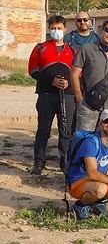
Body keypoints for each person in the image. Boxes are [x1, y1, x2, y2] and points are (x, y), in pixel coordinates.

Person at [28, 15, 75, 174]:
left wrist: (69, 82)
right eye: (53, 28)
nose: (56, 31)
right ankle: (38, 162)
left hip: (67, 95)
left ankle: (65, 163)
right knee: (43, 129)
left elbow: (78, 73)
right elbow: (33, 70)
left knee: (66, 131)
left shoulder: (72, 50)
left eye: (59, 28)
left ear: (65, 29)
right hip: (46, 94)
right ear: (49, 29)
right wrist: (51, 81)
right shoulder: (40, 47)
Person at [71, 20, 108, 132]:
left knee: (107, 141)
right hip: (89, 104)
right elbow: (74, 74)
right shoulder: (87, 49)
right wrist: (79, 99)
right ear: (102, 30)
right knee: (84, 139)